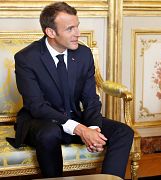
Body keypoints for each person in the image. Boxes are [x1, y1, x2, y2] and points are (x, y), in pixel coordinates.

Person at [10, 2, 133, 178]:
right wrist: (81, 130)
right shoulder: (27, 58)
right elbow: (36, 105)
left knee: (123, 132)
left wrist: (93, 128)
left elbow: (90, 98)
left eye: (77, 26)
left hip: (74, 117)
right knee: (49, 133)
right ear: (51, 32)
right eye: (70, 29)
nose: (78, 33)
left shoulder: (83, 54)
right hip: (41, 121)